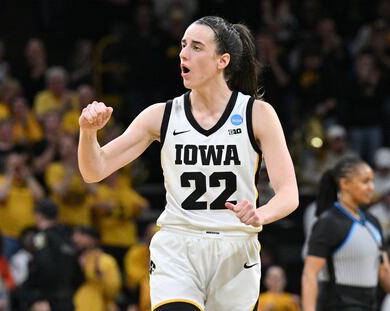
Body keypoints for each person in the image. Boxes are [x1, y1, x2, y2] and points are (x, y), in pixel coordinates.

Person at [78, 15, 298, 311]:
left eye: (196, 47)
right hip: (178, 245)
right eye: (183, 45)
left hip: (235, 248)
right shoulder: (161, 115)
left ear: (222, 61)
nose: (183, 53)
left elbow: (288, 194)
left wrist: (261, 214)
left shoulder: (257, 114)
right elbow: (94, 171)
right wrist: (88, 133)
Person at [301, 156, 390, 311]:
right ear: (345, 184)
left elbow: (384, 271)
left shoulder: (373, 221)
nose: (372, 187)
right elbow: (310, 274)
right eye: (365, 181)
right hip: (338, 304)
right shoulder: (328, 222)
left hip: (370, 304)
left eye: (372, 181)